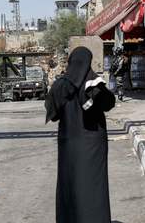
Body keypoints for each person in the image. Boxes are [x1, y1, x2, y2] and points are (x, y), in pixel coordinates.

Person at [45, 47, 115, 223]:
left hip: (69, 145)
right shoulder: (94, 83)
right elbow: (109, 103)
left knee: (69, 185)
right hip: (93, 147)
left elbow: (52, 114)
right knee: (93, 187)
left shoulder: (61, 85)